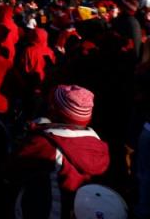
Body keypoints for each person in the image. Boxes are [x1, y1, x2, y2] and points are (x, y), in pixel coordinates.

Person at [11, 84, 110, 218]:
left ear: (55, 111)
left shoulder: (45, 145)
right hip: (79, 211)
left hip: (44, 211)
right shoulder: (98, 146)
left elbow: (12, 169)